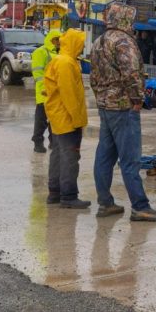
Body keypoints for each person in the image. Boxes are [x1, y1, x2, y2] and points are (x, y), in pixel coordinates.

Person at [89, 2, 156, 222]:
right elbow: (132, 73)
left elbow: (94, 77)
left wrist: (102, 98)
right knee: (130, 159)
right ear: (125, 19)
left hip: (106, 106)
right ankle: (140, 206)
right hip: (123, 107)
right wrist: (136, 99)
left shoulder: (98, 42)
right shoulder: (124, 42)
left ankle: (105, 203)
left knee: (104, 156)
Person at [43, 29, 90, 208]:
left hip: (57, 116)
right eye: (81, 42)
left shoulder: (60, 60)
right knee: (70, 156)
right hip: (67, 118)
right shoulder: (66, 63)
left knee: (58, 154)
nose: (83, 46)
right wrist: (78, 121)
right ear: (73, 43)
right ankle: (69, 196)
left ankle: (54, 192)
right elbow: (69, 94)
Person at [30, 29, 61, 153]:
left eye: (60, 39)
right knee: (41, 120)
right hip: (44, 93)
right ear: (51, 39)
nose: (59, 42)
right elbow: (38, 73)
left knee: (54, 120)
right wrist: (45, 90)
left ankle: (53, 142)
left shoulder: (60, 53)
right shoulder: (40, 52)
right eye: (56, 39)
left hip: (56, 93)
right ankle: (37, 142)